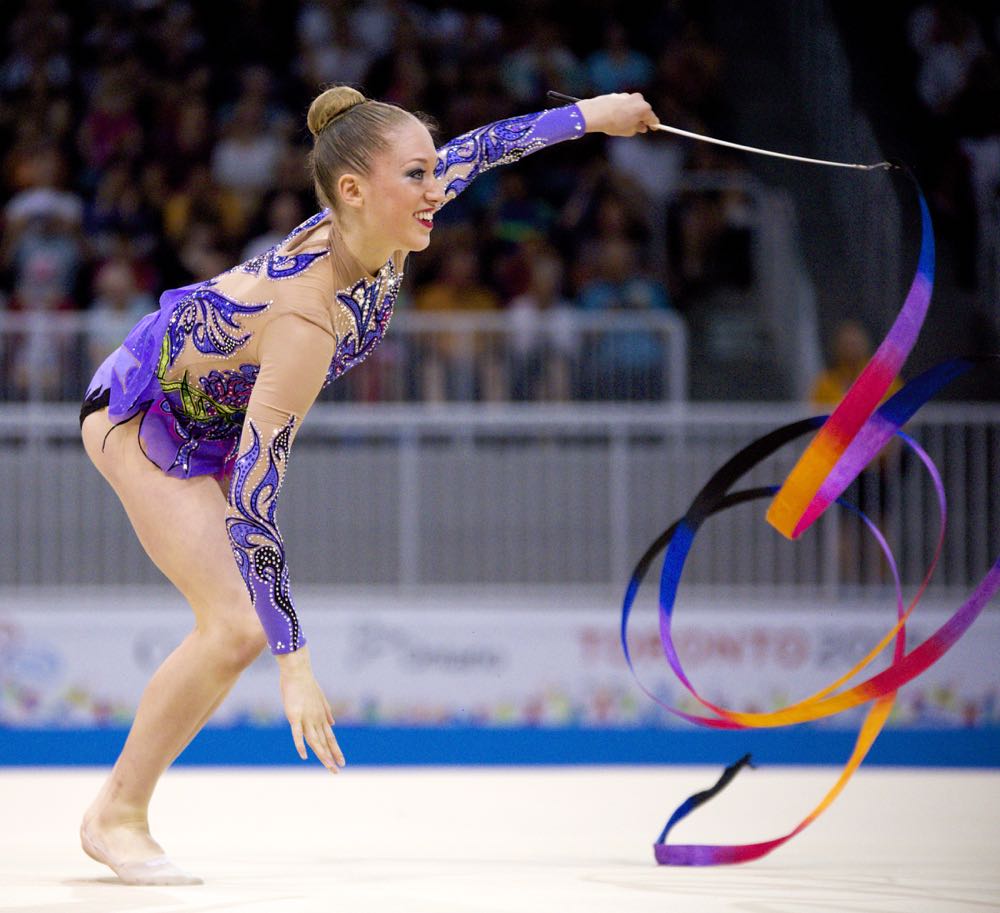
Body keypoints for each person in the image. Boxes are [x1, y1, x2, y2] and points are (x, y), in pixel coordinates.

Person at [78, 85, 658, 885]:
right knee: (237, 628)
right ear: (354, 190)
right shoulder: (305, 317)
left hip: (216, 410)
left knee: (239, 625)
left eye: (432, 172)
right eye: (419, 176)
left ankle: (117, 811)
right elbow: (255, 497)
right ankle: (115, 815)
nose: (438, 190)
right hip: (143, 417)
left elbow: (493, 144)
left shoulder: (384, 213)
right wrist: (295, 662)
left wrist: (601, 112)